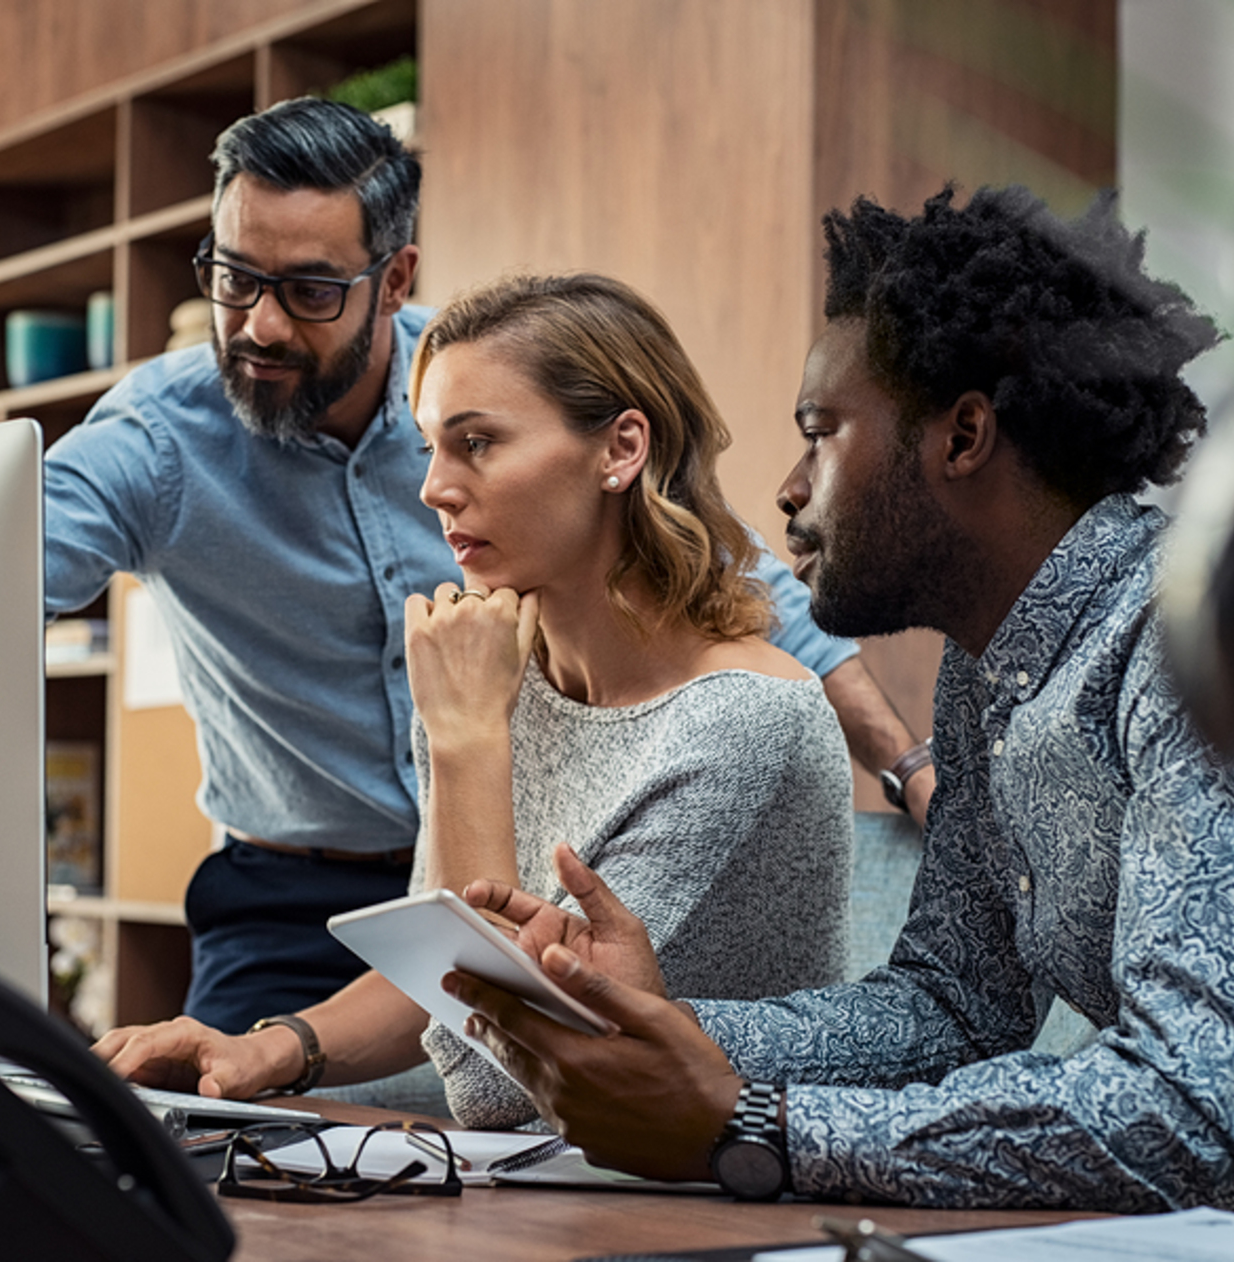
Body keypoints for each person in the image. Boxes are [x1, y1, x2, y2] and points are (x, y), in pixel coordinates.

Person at [439, 186, 1234, 1210]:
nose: (789, 489)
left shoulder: (1204, 636)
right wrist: (665, 1025)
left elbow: (1187, 1109)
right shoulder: (989, 671)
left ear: (963, 435)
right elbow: (952, 1007)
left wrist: (752, 1128)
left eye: (820, 430)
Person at [42, 95, 932, 1035]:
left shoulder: (492, 379)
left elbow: (753, 595)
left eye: (309, 290)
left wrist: (911, 766)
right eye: (235, 278)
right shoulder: (158, 440)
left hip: (513, 871)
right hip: (286, 897)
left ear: (393, 281)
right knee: (216, 1143)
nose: (259, 326)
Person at [92, 272, 855, 1123]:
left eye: (478, 443)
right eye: (430, 449)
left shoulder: (744, 720)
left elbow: (499, 1076)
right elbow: (437, 971)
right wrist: (269, 1048)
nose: (434, 490)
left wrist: (464, 741)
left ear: (621, 449)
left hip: (709, 1203)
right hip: (557, 1179)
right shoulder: (495, 677)